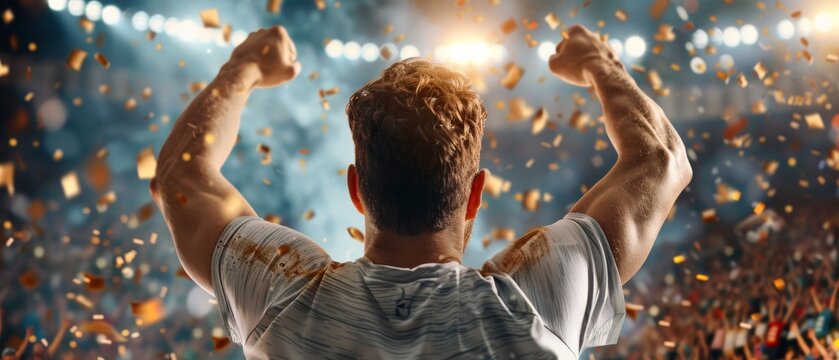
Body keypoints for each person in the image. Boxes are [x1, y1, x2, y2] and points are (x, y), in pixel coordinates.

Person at [150, 24, 691, 358]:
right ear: (475, 194)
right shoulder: (537, 300)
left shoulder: (283, 297)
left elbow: (180, 177)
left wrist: (243, 66)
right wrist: (599, 63)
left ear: (357, 189)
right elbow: (659, 159)